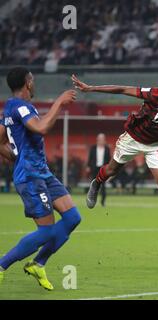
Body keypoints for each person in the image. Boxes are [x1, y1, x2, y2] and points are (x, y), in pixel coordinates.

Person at [72, 73, 158, 252]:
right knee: (111, 170)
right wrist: (91, 88)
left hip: (154, 145)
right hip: (132, 140)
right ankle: (96, 183)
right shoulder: (157, 94)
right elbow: (122, 89)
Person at [0, 67, 80, 290]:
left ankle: (38, 263)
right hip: (31, 176)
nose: (34, 83)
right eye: (32, 80)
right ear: (27, 82)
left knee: (72, 217)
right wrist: (59, 103)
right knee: (45, 231)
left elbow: (0, 140)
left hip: (42, 172)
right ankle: (1, 265)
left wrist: (16, 158)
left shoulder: (10, 106)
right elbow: (42, 127)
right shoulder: (21, 107)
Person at [87, 133, 111, 207]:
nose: (101, 140)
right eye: (100, 139)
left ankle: (103, 202)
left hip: (103, 169)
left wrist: (108, 169)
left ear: (104, 140)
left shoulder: (107, 149)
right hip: (94, 169)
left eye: (102, 139)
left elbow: (109, 159)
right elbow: (90, 158)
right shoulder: (93, 148)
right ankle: (91, 201)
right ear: (97, 140)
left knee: (103, 187)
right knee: (93, 186)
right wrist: (88, 166)